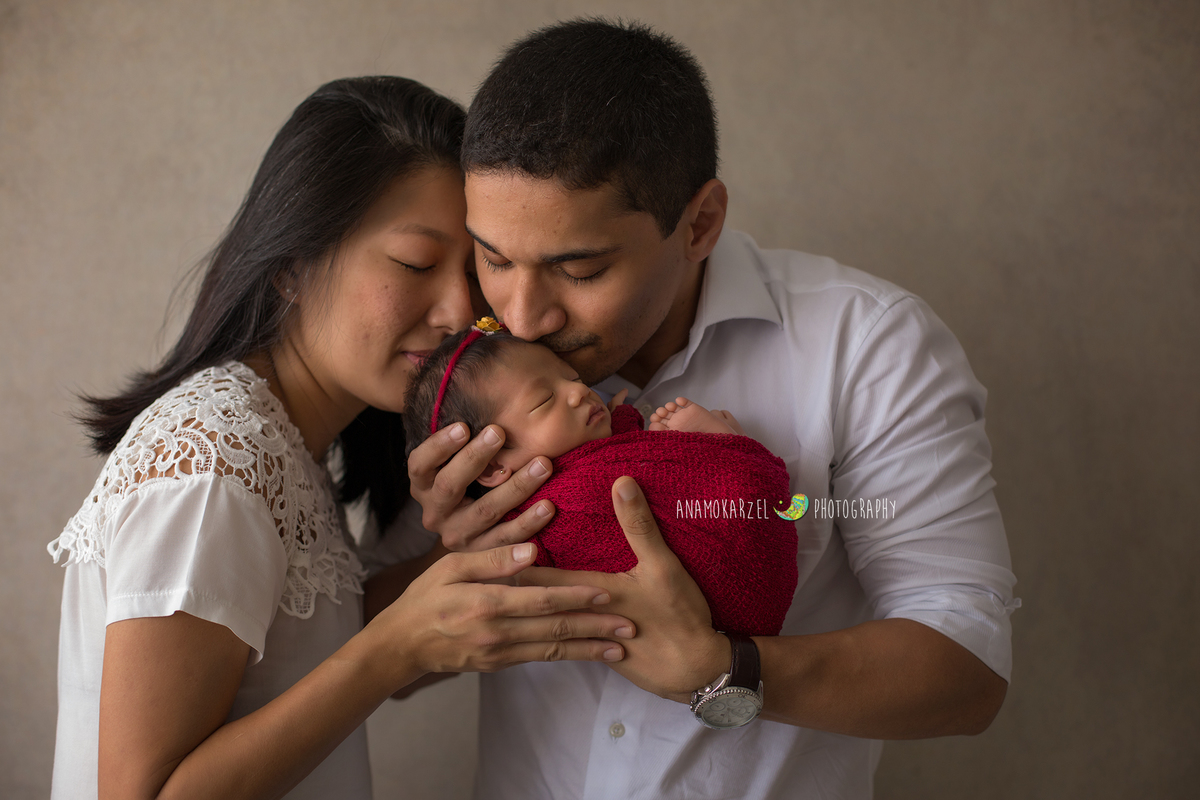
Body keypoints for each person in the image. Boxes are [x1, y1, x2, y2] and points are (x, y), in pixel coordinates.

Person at [405, 19, 1020, 799]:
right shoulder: (469, 366)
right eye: (493, 257)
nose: (524, 318)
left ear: (699, 223)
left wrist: (727, 669)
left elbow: (968, 674)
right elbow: (386, 665)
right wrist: (456, 557)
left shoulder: (869, 346)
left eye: (581, 269)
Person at [45, 76, 637, 800]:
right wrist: (394, 651)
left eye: (474, 271)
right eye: (417, 264)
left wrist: (473, 551)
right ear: (293, 266)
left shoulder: (285, 444)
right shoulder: (213, 465)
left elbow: (303, 650)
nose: (461, 311)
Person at [401, 323, 798, 636]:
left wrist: (664, 450)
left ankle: (720, 456)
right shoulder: (540, 513)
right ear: (489, 465)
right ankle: (726, 453)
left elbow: (645, 474)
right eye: (544, 400)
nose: (577, 393)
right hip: (715, 598)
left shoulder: (605, 447)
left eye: (572, 378)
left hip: (739, 555)